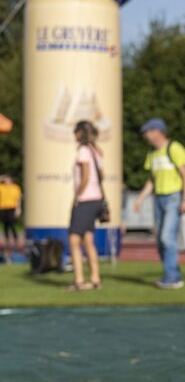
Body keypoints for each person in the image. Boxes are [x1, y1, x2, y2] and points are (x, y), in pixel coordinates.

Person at [132, 118, 185, 289]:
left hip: (173, 197)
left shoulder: (174, 148)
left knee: (167, 237)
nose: (146, 136)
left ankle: (173, 277)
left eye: (148, 132)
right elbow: (152, 179)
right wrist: (141, 198)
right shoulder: (152, 154)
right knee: (160, 240)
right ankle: (171, 273)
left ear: (157, 131)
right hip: (159, 198)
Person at [66, 121, 105, 291]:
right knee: (88, 240)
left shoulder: (83, 151)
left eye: (76, 132)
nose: (74, 135)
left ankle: (79, 281)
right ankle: (95, 279)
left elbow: (86, 175)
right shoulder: (96, 150)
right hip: (96, 198)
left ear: (80, 133)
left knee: (74, 240)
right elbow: (101, 175)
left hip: (86, 200)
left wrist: (77, 195)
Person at [0, 174, 22, 263]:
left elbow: (18, 199)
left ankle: (15, 238)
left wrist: (18, 208)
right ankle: (7, 239)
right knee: (5, 225)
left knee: (11, 223)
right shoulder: (2, 187)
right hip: (3, 207)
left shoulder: (15, 187)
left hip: (12, 207)